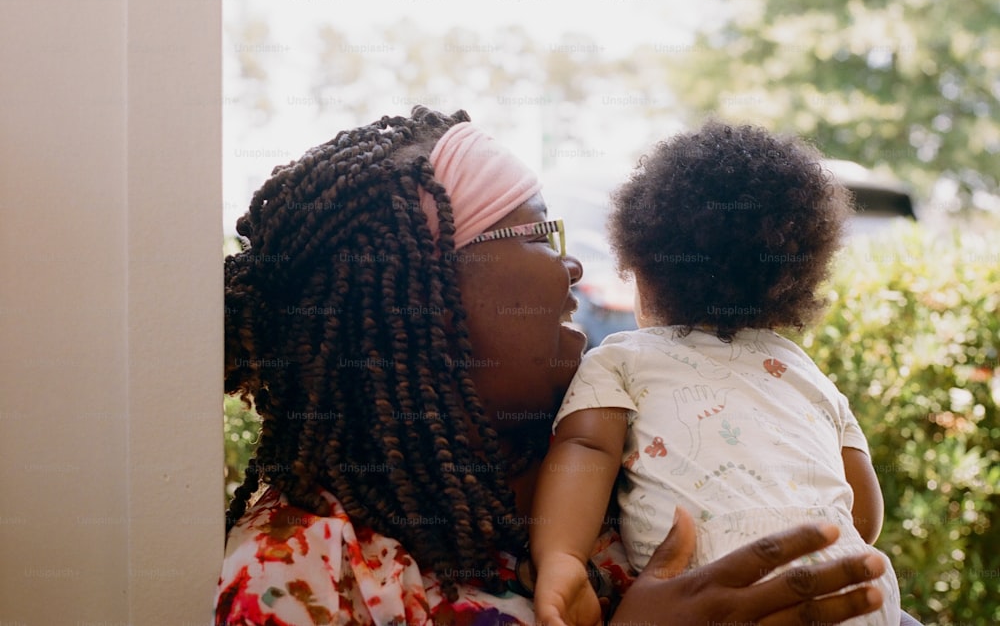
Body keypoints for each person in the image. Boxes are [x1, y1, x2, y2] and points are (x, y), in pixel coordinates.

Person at [216, 106, 903, 625]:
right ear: (420, 291)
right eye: (541, 232)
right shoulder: (303, 568)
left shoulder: (625, 462)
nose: (573, 264)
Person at [530, 120, 902, 626]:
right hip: (849, 586)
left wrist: (562, 559)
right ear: (794, 277)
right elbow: (865, 514)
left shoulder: (622, 357)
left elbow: (586, 450)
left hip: (708, 578)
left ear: (641, 267)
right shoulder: (805, 373)